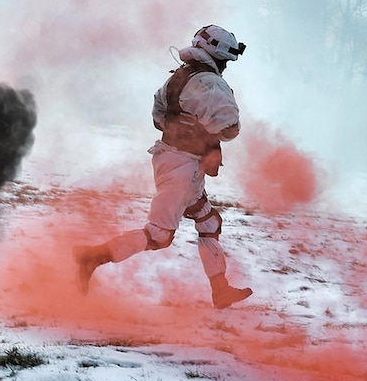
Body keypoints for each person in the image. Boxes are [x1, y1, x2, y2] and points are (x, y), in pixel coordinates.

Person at [73, 24, 252, 309]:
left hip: (172, 159)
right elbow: (229, 127)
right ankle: (92, 257)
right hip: (185, 167)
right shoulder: (210, 83)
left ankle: (220, 291)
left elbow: (159, 117)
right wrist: (206, 137)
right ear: (217, 56)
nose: (225, 66)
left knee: (208, 222)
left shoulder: (179, 77)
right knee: (159, 235)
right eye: (225, 61)